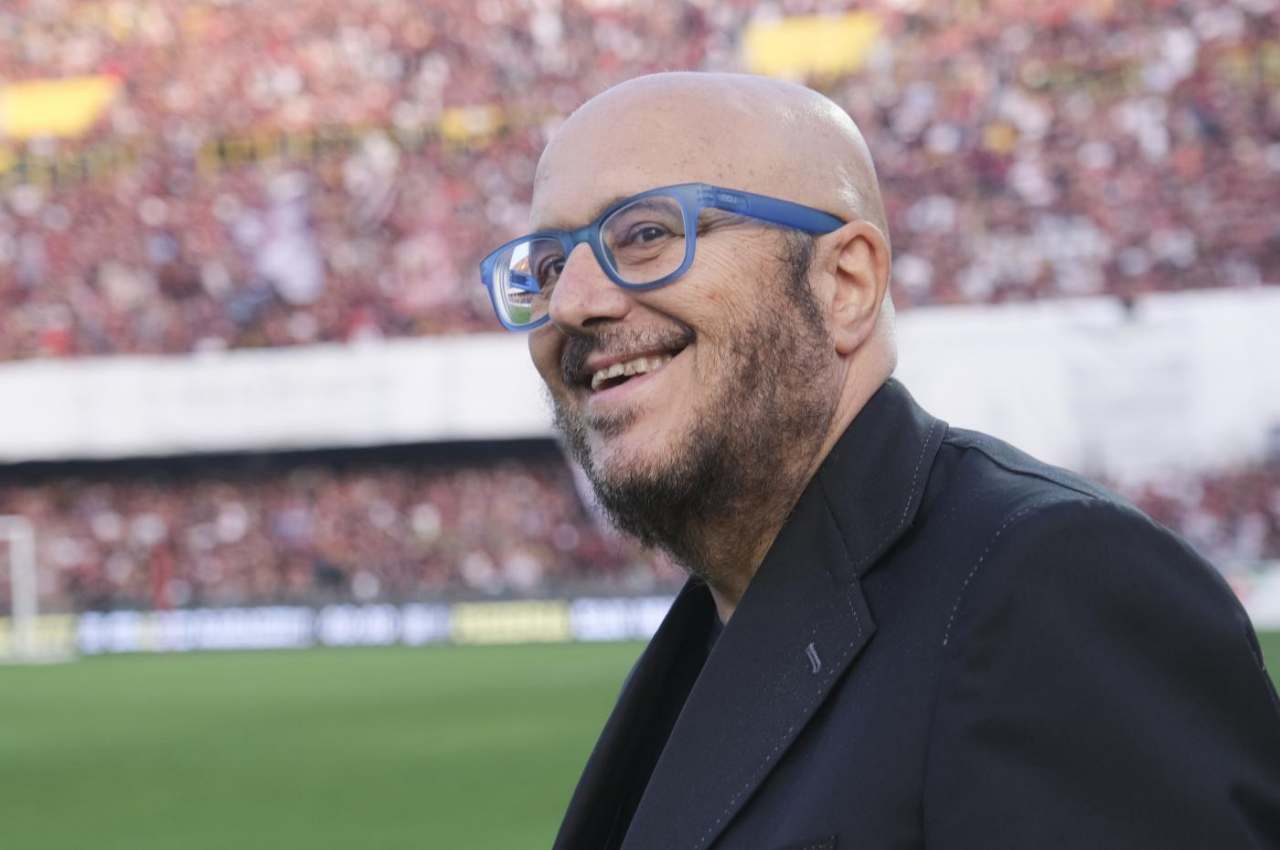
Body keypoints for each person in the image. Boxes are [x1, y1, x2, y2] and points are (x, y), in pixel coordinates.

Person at [478, 72, 1280, 850]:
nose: (570, 303)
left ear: (846, 282)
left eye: (647, 234)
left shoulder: (1050, 587)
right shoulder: (710, 634)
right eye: (547, 268)